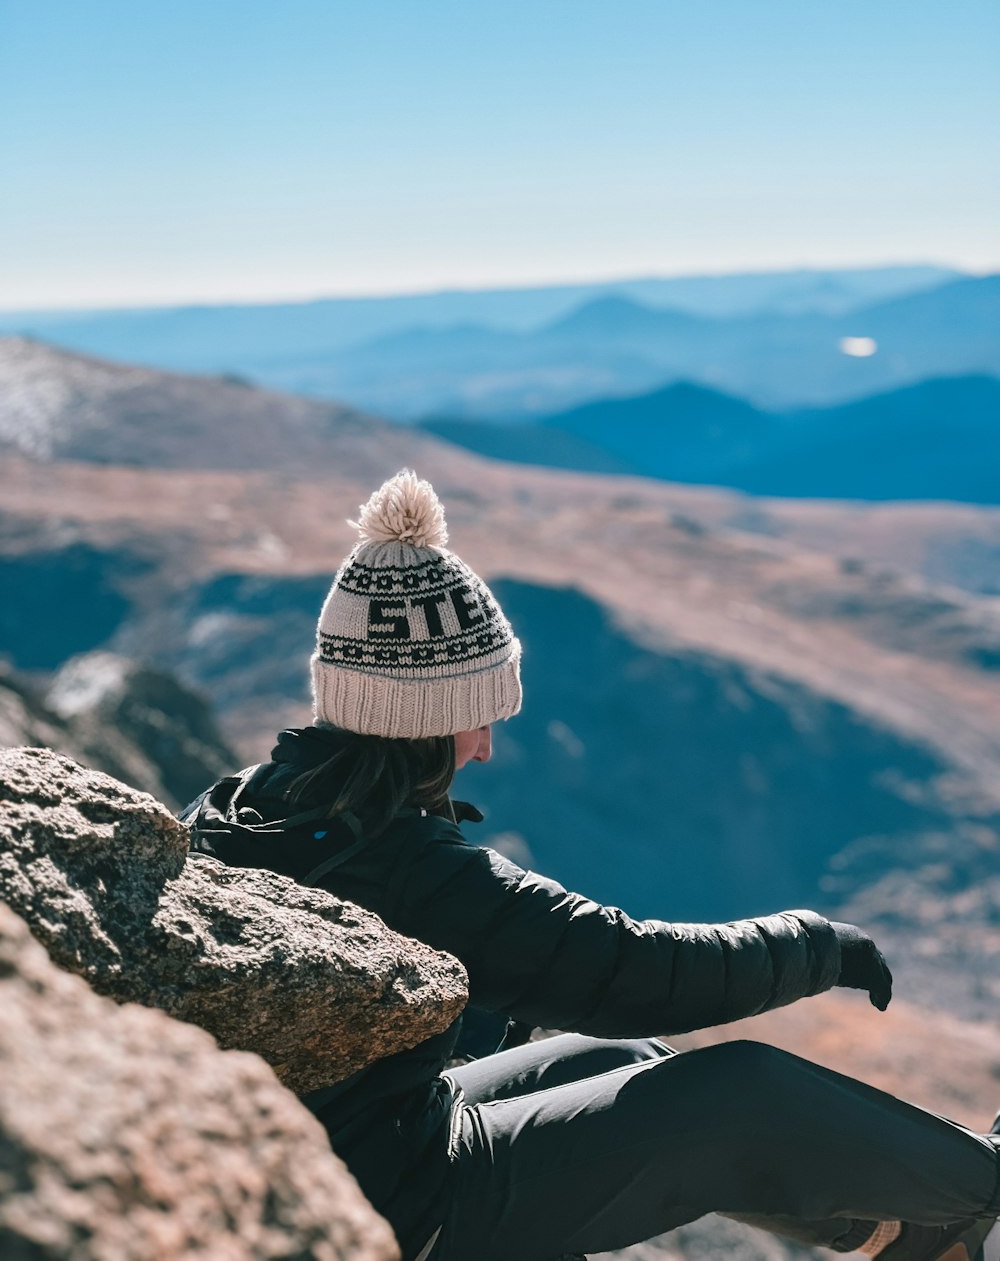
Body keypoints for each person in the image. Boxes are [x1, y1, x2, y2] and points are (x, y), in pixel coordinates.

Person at [184, 470, 1000, 1261]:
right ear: (421, 718)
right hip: (400, 1208)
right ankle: (992, 1192)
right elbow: (630, 965)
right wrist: (815, 945)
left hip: (351, 1146)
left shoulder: (241, 805)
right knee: (738, 1095)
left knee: (616, 1059)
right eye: (476, 716)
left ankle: (918, 1234)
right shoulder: (401, 861)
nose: (486, 745)